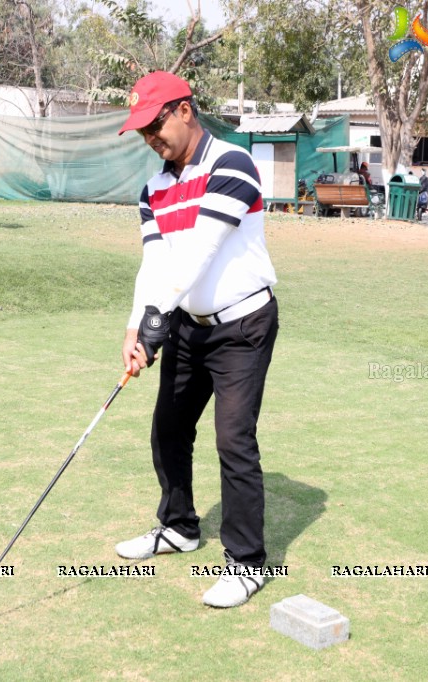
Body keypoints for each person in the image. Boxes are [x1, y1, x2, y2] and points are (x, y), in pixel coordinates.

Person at [113, 71, 279, 608]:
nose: (150, 139)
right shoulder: (154, 189)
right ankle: (179, 527)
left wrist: (157, 321)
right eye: (141, 131)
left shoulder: (233, 164)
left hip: (242, 325)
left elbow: (199, 252)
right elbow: (155, 264)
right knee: (168, 428)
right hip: (187, 325)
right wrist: (136, 327)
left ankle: (246, 563)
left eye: (154, 124)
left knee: (233, 439)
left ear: (185, 110)